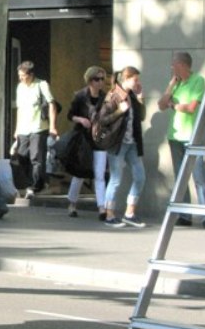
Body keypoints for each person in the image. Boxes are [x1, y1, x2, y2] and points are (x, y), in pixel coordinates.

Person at [157, 52, 205, 230]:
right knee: (180, 178)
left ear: (183, 65)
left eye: (174, 64)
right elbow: (161, 105)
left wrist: (175, 106)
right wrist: (170, 87)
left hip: (192, 136)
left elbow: (191, 107)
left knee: (199, 177)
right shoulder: (176, 84)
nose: (172, 67)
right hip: (174, 137)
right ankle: (184, 215)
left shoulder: (197, 80)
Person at [100, 66, 146, 228]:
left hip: (132, 142)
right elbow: (102, 120)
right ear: (126, 79)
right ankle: (109, 214)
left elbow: (141, 117)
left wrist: (141, 98)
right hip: (117, 143)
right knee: (116, 179)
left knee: (140, 176)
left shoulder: (132, 96)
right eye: (135, 79)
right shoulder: (113, 96)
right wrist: (119, 111)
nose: (137, 82)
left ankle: (130, 213)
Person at [66, 65, 108, 219]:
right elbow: (70, 115)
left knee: (99, 174)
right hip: (83, 139)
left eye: (103, 79)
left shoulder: (105, 98)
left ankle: (102, 208)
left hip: (99, 139)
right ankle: (72, 202)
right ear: (90, 80)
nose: (101, 82)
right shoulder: (80, 96)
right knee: (80, 173)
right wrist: (81, 119)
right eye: (97, 79)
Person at [11, 60, 58, 198]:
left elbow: (52, 105)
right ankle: (25, 184)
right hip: (23, 128)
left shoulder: (41, 85)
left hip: (38, 127)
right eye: (19, 75)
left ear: (30, 74)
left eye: (23, 75)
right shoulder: (20, 87)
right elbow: (19, 109)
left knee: (36, 158)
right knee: (21, 156)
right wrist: (17, 129)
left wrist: (53, 127)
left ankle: (35, 186)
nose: (20, 78)